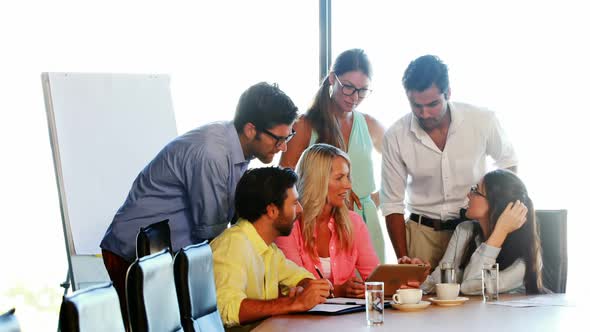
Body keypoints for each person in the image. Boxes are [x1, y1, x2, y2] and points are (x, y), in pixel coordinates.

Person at [100, 82, 299, 321]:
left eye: (288, 137)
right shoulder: (213, 153)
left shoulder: (239, 150)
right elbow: (214, 235)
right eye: (278, 139)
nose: (283, 147)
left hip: (168, 254)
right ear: (250, 130)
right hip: (133, 252)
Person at [381, 54, 518, 269]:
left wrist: (497, 221)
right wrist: (403, 260)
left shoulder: (482, 120)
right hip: (421, 235)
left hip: (473, 230)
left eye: (433, 104)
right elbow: (391, 204)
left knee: (475, 294)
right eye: (416, 105)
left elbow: (508, 163)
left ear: (448, 93)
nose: (424, 114)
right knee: (421, 298)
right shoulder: (395, 136)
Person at [280, 49, 386, 263]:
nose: (355, 97)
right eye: (348, 87)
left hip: (365, 223)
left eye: (363, 90)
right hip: (318, 225)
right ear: (332, 79)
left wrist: (375, 199)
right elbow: (282, 181)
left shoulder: (369, 124)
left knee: (372, 289)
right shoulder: (304, 125)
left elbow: (402, 168)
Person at [211, 167, 332, 328]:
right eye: (295, 203)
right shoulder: (233, 245)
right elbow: (227, 310)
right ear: (272, 211)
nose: (300, 210)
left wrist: (309, 287)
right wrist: (293, 303)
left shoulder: (269, 249)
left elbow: (299, 276)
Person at [400, 169, 544, 295]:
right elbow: (440, 283)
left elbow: (470, 287)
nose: (469, 195)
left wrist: (500, 231)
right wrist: (418, 277)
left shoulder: (525, 259)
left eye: (476, 191)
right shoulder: (464, 230)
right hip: (468, 318)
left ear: (495, 203)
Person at [276, 144, 379, 298]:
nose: (348, 185)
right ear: (317, 181)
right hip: (302, 320)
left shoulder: (354, 222)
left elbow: (375, 279)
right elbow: (293, 286)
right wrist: (339, 291)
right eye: (339, 178)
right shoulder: (288, 226)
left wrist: (406, 277)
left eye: (348, 177)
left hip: (348, 318)